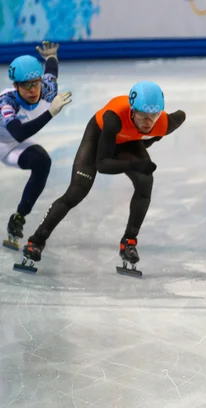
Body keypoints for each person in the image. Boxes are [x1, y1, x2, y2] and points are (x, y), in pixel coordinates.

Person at [16, 81, 186, 276]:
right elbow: (102, 164)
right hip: (99, 139)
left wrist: (151, 140)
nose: (148, 122)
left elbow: (181, 115)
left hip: (128, 142)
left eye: (153, 116)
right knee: (76, 192)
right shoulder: (113, 117)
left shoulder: (165, 123)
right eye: (142, 115)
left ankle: (129, 242)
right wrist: (135, 164)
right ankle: (36, 240)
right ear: (131, 110)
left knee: (145, 182)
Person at [0, 42, 72, 250]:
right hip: (12, 137)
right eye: (25, 85)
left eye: (35, 83)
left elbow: (51, 73)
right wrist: (50, 113)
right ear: (16, 86)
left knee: (42, 161)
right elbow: (19, 132)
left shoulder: (47, 89)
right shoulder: (6, 103)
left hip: (12, 146)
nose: (32, 89)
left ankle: (19, 217)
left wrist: (51, 57)